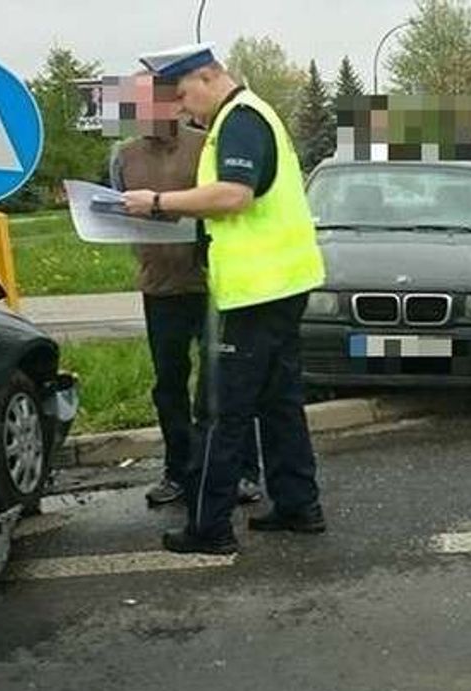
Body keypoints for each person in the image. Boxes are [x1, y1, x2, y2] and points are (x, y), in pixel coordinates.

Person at [121, 43, 327, 555]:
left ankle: (209, 527)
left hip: (258, 293)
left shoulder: (239, 119)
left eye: (185, 94)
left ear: (209, 76)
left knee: (221, 411)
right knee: (280, 402)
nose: (184, 108)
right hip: (282, 284)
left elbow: (235, 195)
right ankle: (299, 505)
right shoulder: (248, 116)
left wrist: (158, 203)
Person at [105, 73, 263, 508]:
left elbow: (226, 202)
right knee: (168, 384)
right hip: (158, 284)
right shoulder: (124, 155)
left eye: (148, 104)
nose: (140, 115)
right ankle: (179, 470)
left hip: (210, 282)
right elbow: (121, 209)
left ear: (174, 103)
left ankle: (241, 471)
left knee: (220, 382)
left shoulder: (205, 145)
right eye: (133, 107)